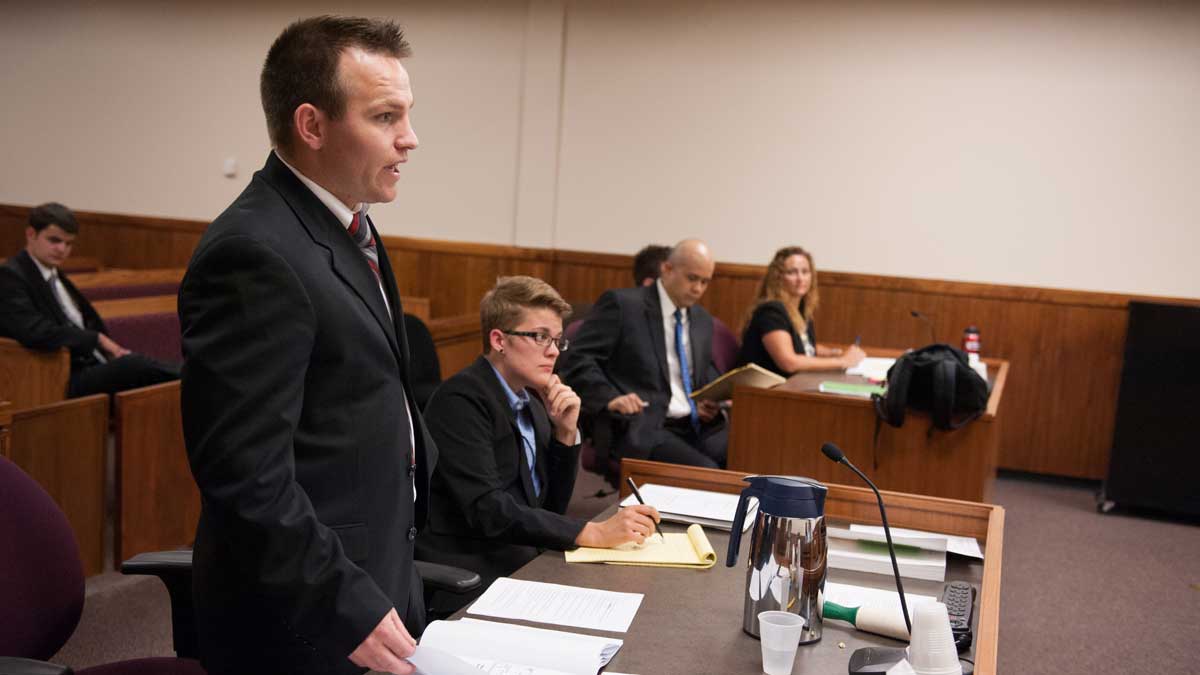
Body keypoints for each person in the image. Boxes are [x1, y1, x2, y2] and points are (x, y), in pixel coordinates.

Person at [177, 16, 433, 675]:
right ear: (312, 125)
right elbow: (246, 474)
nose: (410, 138)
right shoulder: (254, 252)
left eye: (407, 114)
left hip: (374, 576)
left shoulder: (351, 225)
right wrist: (343, 600)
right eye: (385, 116)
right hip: (303, 615)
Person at [417, 276, 659, 602]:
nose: (553, 352)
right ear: (499, 340)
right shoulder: (460, 399)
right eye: (540, 337)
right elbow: (488, 510)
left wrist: (564, 433)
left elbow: (551, 508)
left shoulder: (532, 402)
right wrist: (593, 531)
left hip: (522, 555)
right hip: (474, 568)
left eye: (558, 340)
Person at [560, 239, 728, 469]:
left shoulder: (701, 320)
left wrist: (708, 399)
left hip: (694, 422)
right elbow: (577, 360)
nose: (698, 288)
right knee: (707, 473)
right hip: (644, 425)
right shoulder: (623, 305)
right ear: (667, 269)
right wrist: (610, 398)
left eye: (705, 281)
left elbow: (700, 372)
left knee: (746, 456)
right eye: (692, 278)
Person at [0, 202, 179, 397]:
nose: (62, 249)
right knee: (135, 365)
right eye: (54, 240)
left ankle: (189, 375)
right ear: (31, 234)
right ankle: (190, 374)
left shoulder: (54, 275)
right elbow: (34, 331)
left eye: (68, 243)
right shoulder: (11, 276)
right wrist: (96, 339)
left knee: (142, 368)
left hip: (88, 362)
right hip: (56, 375)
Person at [735, 246, 865, 376]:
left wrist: (833, 353)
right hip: (761, 391)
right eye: (792, 272)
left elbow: (803, 346)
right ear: (777, 277)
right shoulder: (771, 312)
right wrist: (842, 361)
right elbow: (788, 362)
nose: (800, 279)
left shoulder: (800, 309)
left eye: (805, 271)